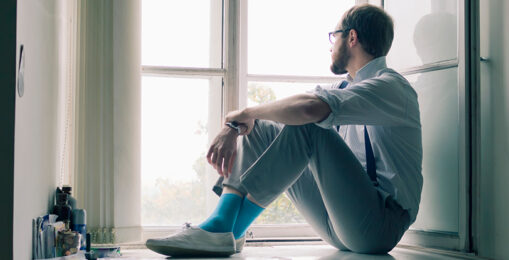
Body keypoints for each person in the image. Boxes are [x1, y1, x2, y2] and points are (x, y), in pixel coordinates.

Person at [146, 4, 422, 257]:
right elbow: (300, 113)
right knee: (262, 129)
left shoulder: (391, 87)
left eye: (333, 36)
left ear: (351, 38)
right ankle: (226, 228)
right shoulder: (343, 90)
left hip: (380, 226)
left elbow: (308, 110)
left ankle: (221, 230)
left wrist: (242, 113)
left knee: (309, 127)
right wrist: (239, 125)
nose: (330, 46)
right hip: (340, 222)